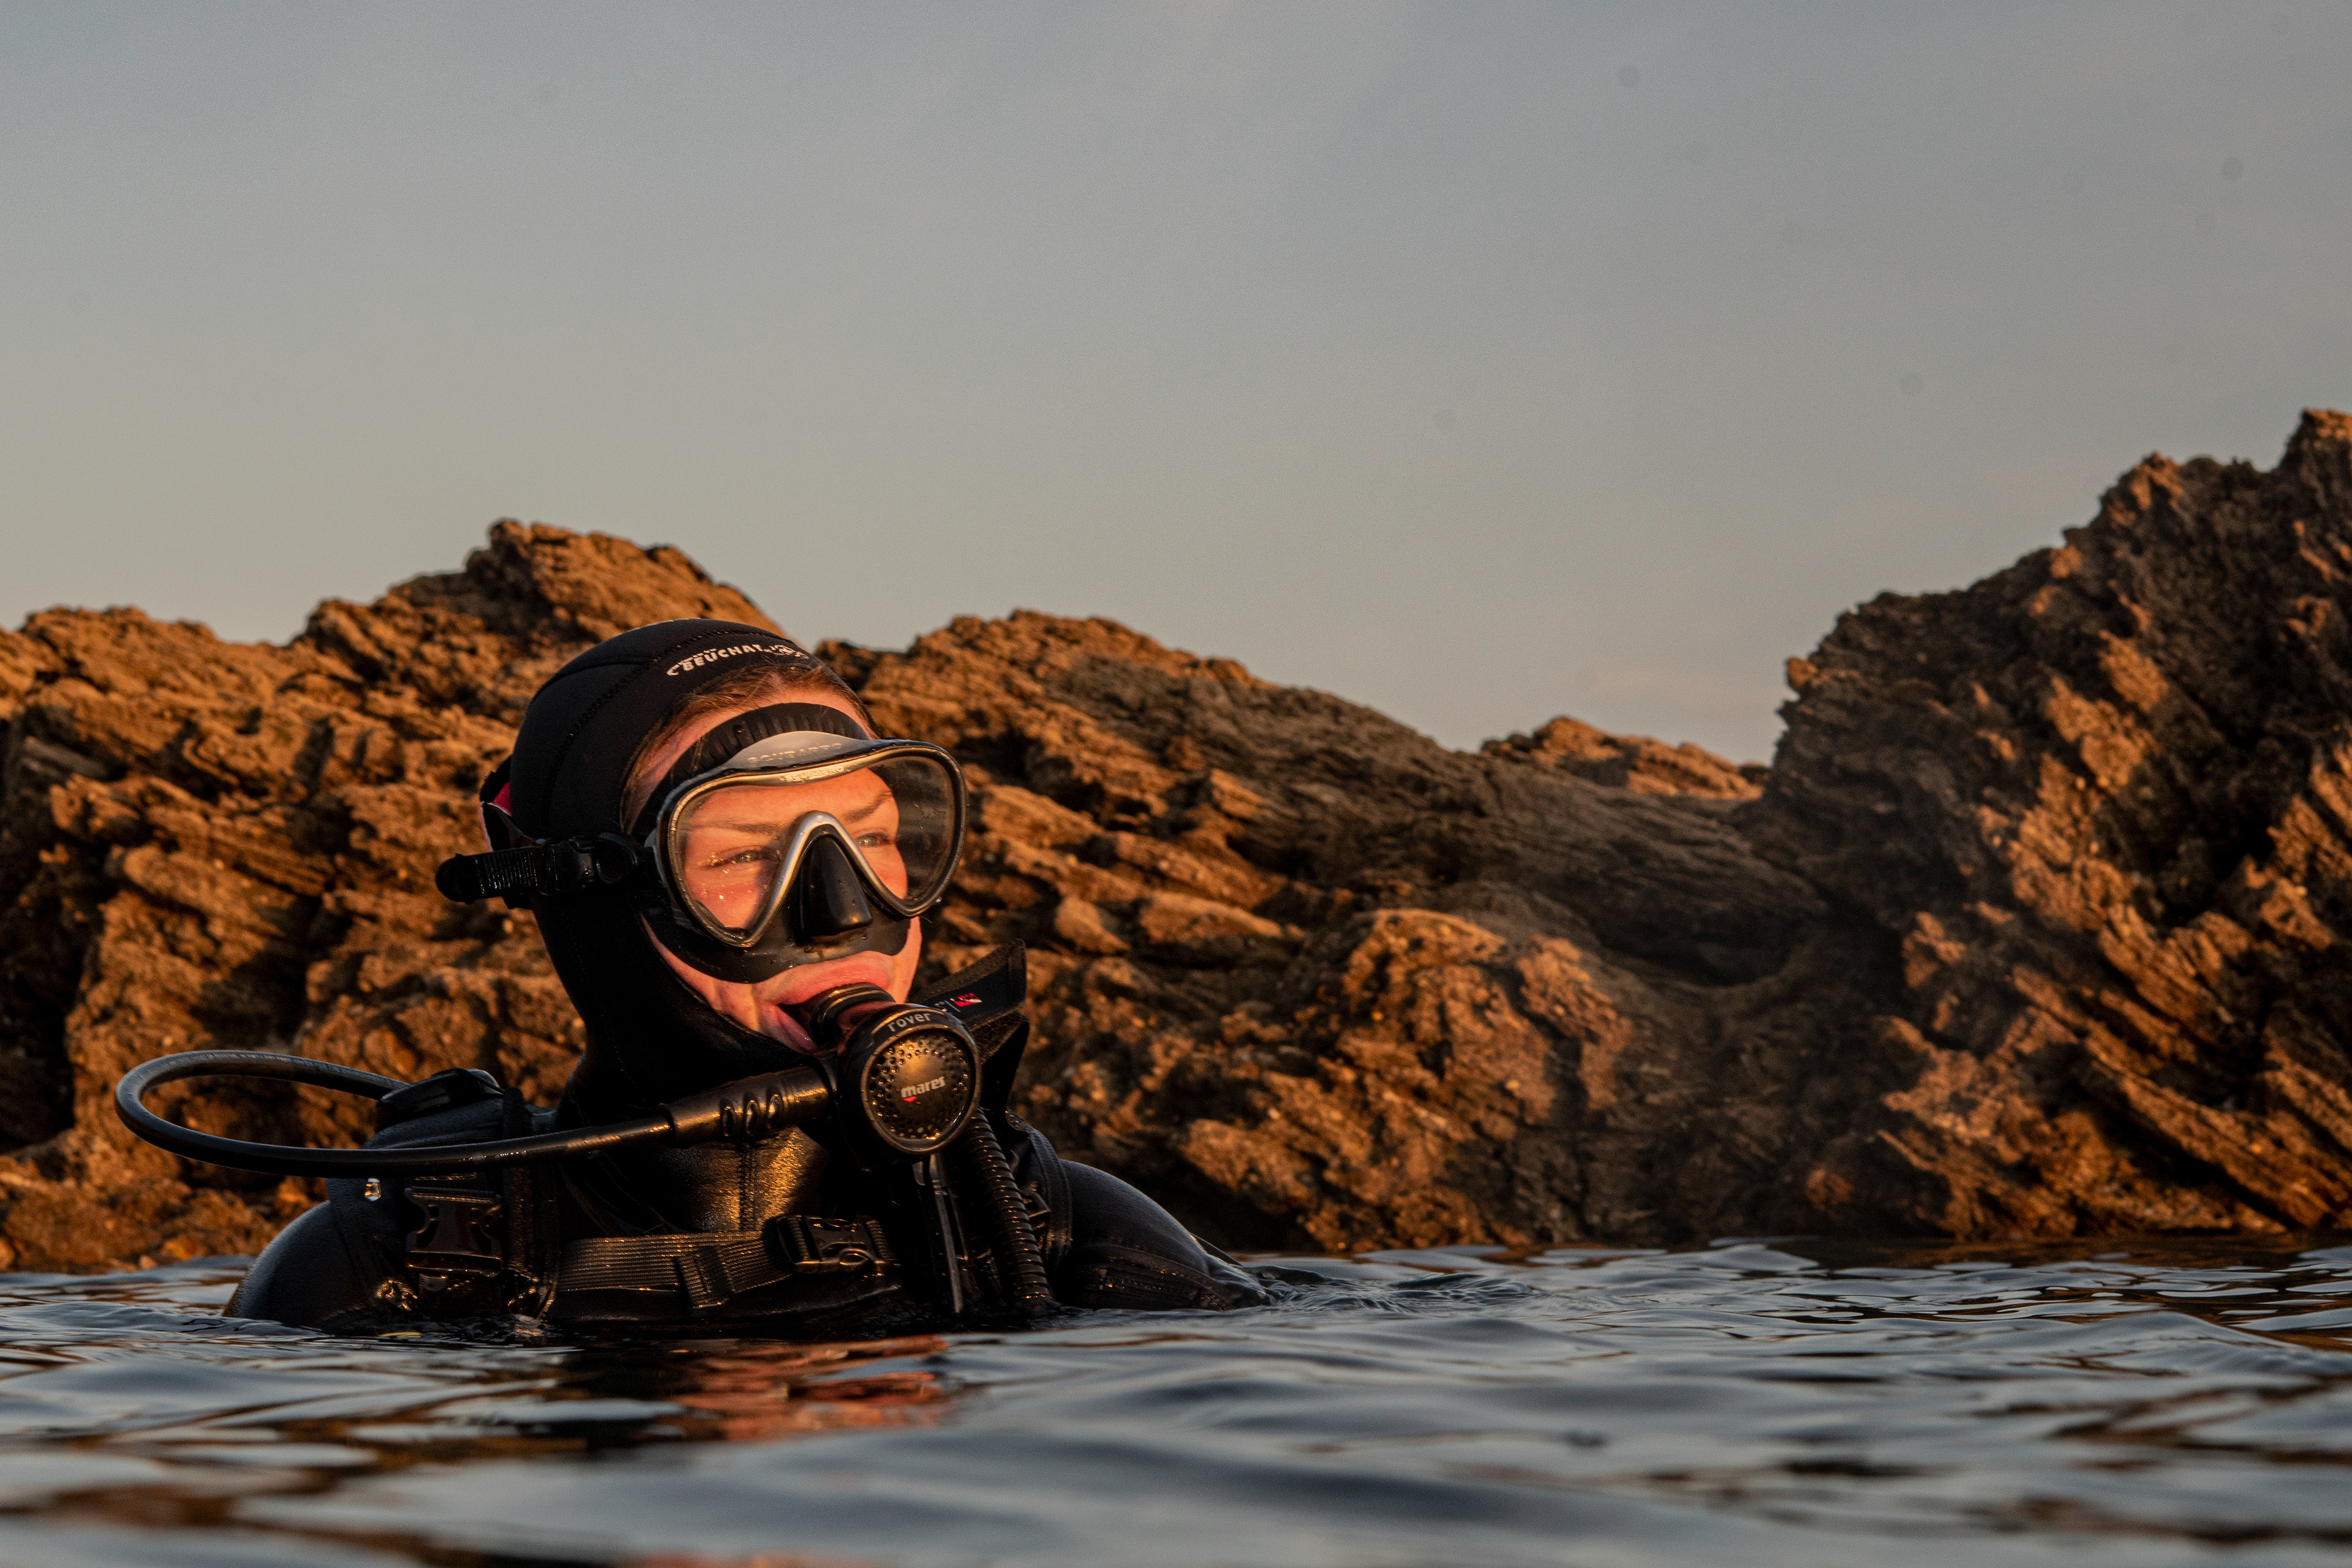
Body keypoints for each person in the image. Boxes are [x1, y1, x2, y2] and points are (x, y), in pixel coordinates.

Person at [229, 619, 1264, 1333]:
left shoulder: (1051, 1230)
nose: (842, 911)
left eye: (872, 837)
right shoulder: (400, 1268)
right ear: (596, 907)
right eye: (741, 857)